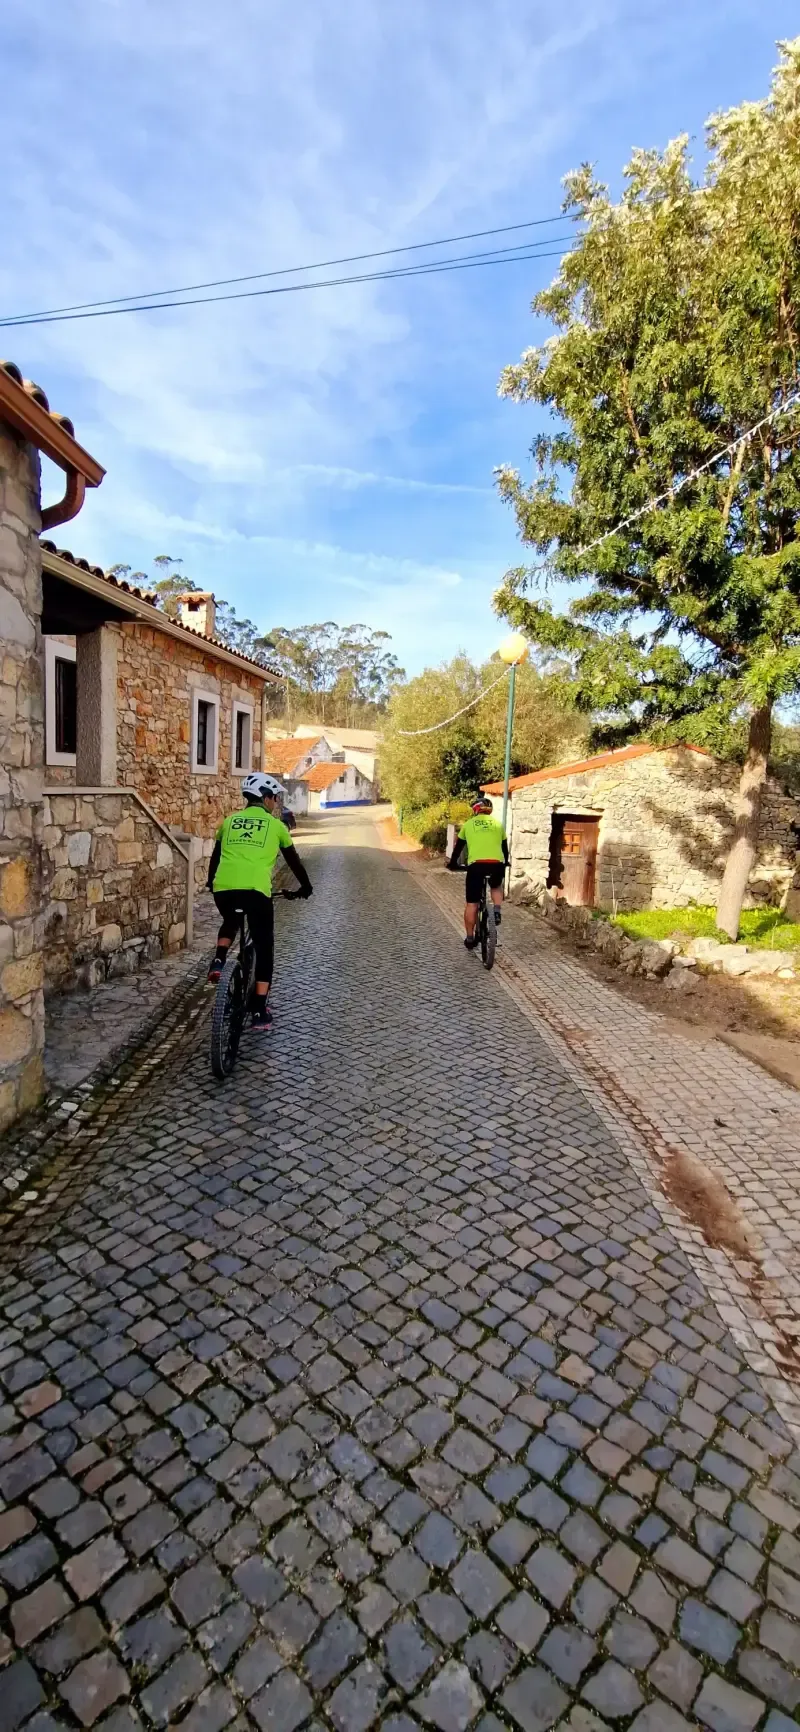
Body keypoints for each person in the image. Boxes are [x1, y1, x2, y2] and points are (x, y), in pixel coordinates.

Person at [206, 772, 313, 1030]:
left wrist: (212, 883)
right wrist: (305, 887)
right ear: (265, 798)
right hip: (255, 891)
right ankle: (258, 1009)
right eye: (274, 798)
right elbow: (294, 861)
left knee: (231, 919)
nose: (275, 803)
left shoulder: (229, 822)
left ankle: (219, 960)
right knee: (265, 946)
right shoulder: (276, 826)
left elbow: (216, 858)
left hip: (224, 889)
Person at [447, 795, 509, 950]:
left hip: (476, 866)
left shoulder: (468, 825)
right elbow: (504, 848)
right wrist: (505, 862)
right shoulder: (498, 824)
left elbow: (458, 848)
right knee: (496, 886)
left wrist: (452, 864)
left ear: (475, 810)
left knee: (472, 903)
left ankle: (470, 938)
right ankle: (496, 910)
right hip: (496, 865)